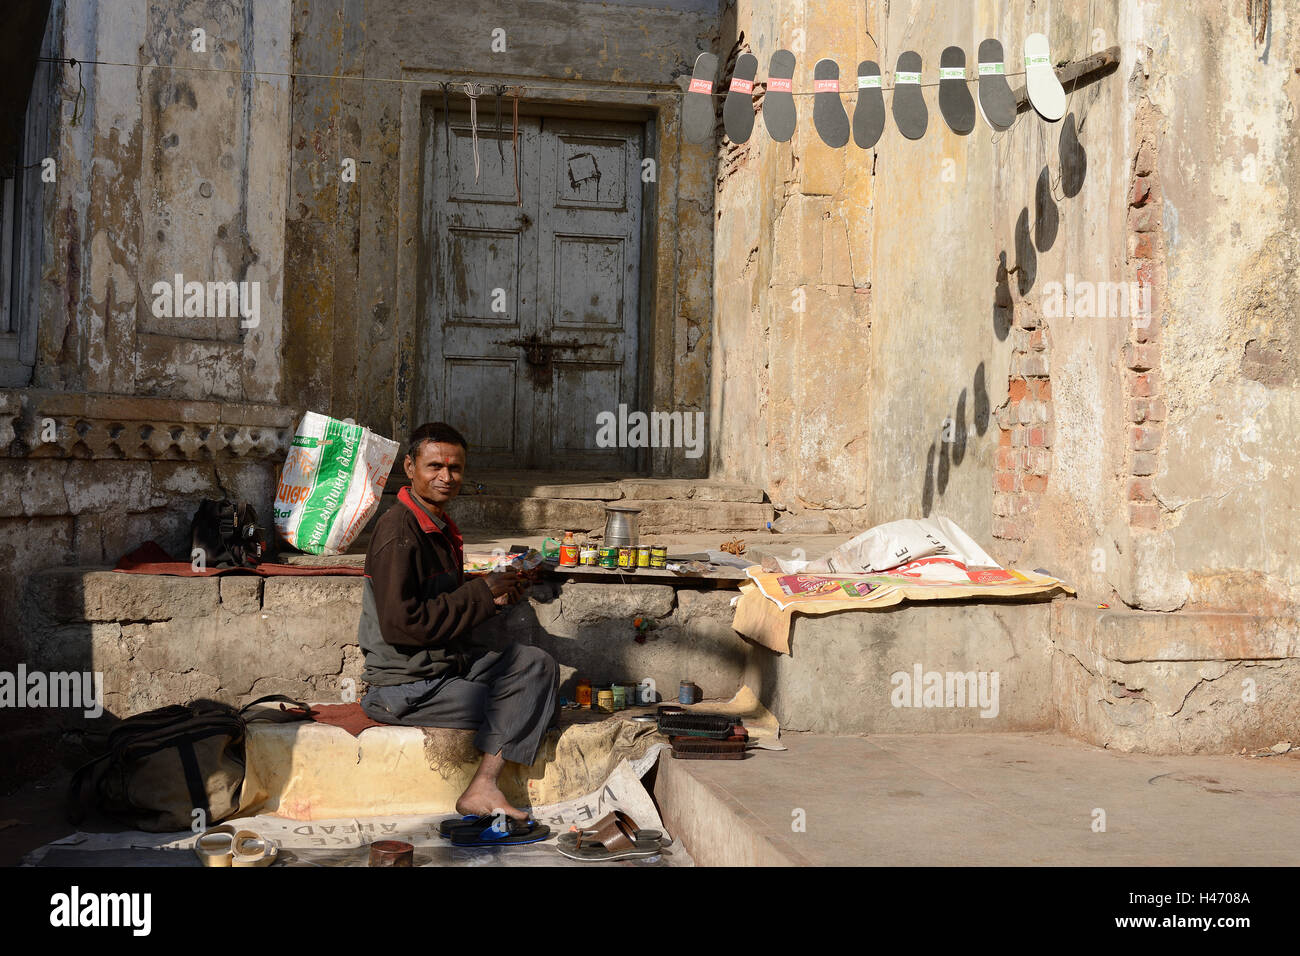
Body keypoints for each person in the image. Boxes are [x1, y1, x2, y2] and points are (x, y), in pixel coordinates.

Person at [357, 421, 558, 820]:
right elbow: (402, 624)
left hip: (445, 668)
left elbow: (445, 605)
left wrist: (495, 597)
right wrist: (482, 591)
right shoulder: (398, 529)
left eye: (455, 469)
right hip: (405, 687)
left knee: (537, 666)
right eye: (434, 467)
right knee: (530, 702)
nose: (445, 477)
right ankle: (483, 787)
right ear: (410, 467)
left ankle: (489, 773)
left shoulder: (440, 526)